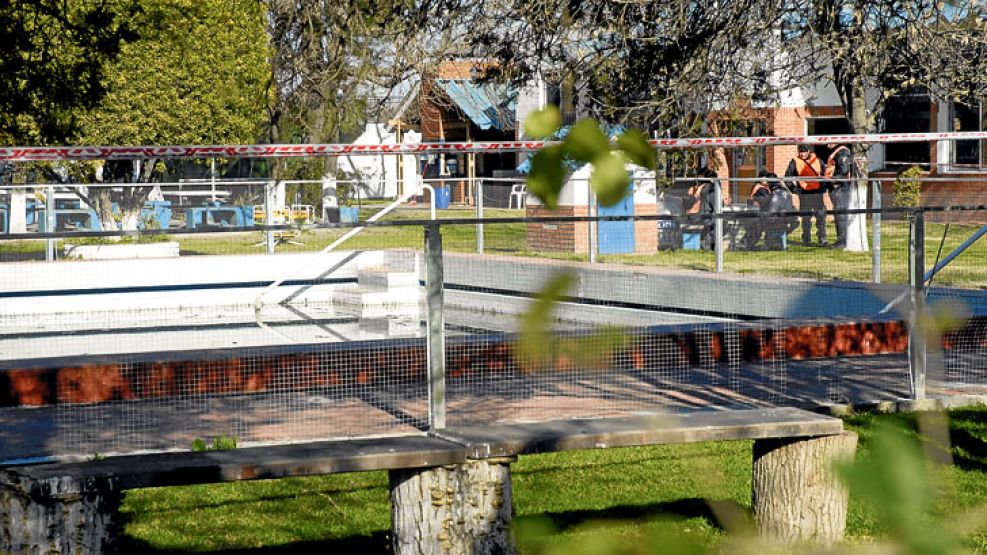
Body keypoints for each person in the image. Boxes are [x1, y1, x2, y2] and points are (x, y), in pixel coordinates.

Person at [785, 145, 826, 245]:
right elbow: (787, 177)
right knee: (806, 217)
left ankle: (822, 238)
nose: (801, 154)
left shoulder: (817, 160)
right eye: (799, 151)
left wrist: (823, 188)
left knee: (821, 216)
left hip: (817, 193)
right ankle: (806, 239)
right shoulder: (794, 161)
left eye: (803, 151)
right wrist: (794, 190)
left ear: (808, 151)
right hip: (804, 193)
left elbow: (825, 175)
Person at [746, 171, 796, 250]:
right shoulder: (760, 189)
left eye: (766, 179)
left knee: (766, 223)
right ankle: (768, 241)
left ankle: (772, 241)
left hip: (774, 217)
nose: (765, 180)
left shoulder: (774, 190)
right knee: (760, 223)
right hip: (763, 215)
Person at [824, 143, 854, 248]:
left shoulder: (842, 152)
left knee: (840, 214)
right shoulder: (837, 152)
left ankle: (842, 241)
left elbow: (844, 171)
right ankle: (841, 240)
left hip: (840, 188)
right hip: (837, 187)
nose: (827, 143)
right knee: (839, 213)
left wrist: (834, 182)